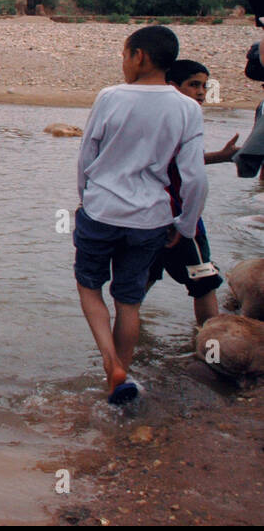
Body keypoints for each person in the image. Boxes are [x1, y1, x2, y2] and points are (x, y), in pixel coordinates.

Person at [74, 26, 207, 405]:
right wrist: (185, 224)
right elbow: (195, 177)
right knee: (128, 302)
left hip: (101, 210)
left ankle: (110, 364)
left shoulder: (110, 97)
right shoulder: (187, 108)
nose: (123, 63)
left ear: (140, 57)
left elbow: (87, 155)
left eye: (124, 55)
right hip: (151, 218)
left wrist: (87, 199)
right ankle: (120, 380)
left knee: (89, 287)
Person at [145, 60, 237, 324]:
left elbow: (170, 163)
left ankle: (129, 339)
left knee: (145, 276)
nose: (201, 92)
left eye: (204, 86)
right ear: (173, 86)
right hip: (179, 219)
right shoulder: (187, 118)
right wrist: (186, 225)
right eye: (194, 85)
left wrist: (220, 156)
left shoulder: (154, 117)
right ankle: (210, 346)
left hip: (147, 216)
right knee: (204, 281)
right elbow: (193, 177)